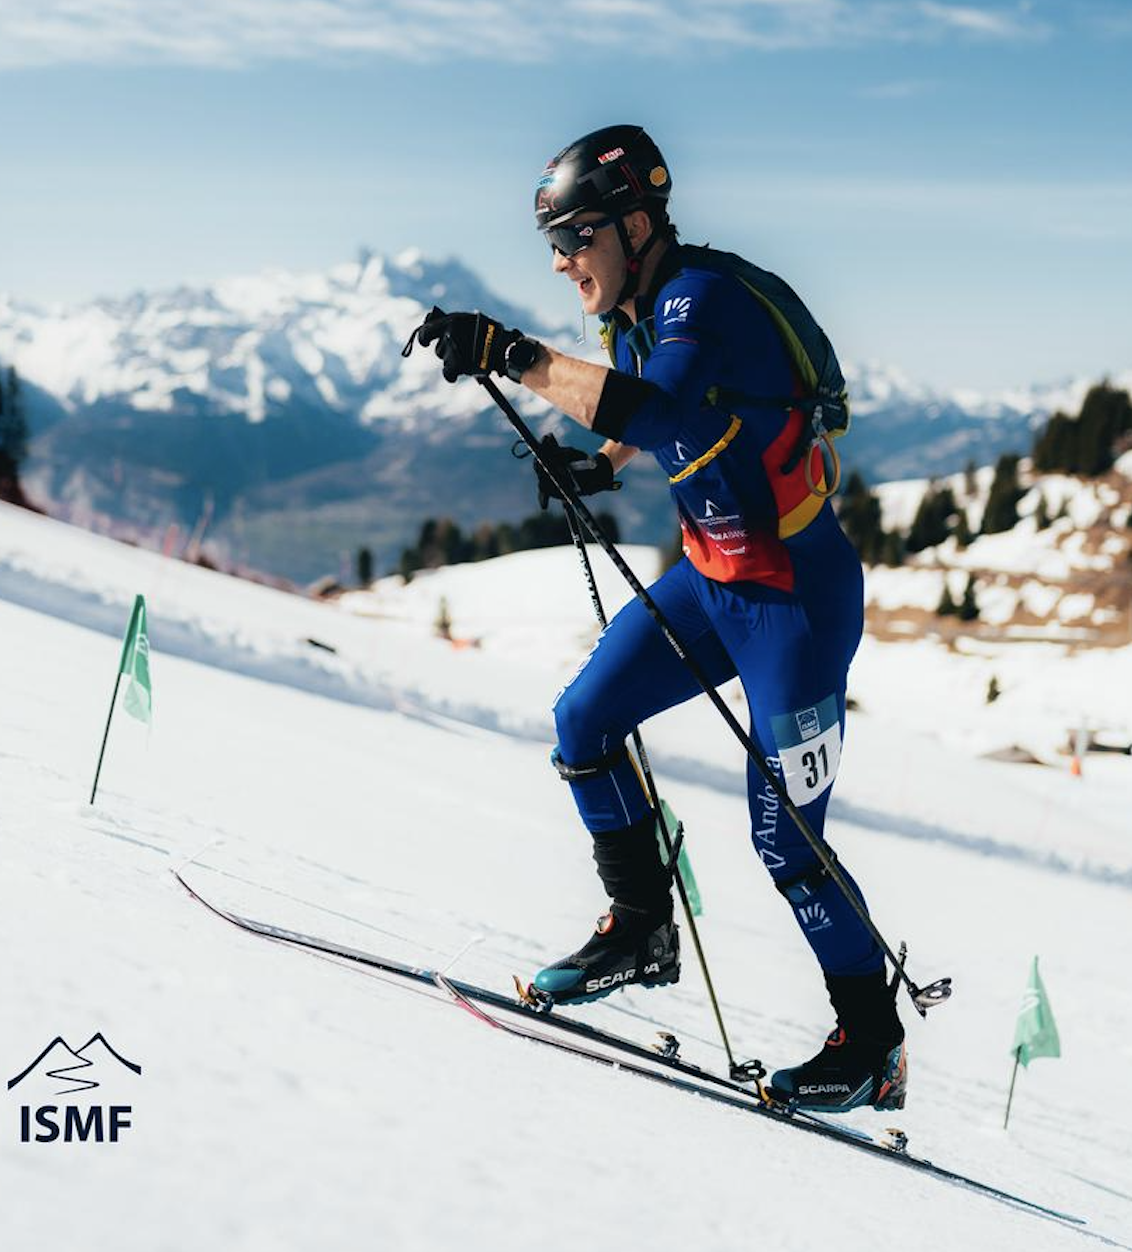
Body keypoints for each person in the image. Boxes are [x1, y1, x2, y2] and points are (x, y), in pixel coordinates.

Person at [413, 124, 905, 1113]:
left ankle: (872, 1044)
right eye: (553, 244)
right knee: (584, 721)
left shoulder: (699, 298)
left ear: (636, 226)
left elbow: (663, 407)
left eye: (576, 237)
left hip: (795, 603)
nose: (562, 262)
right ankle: (640, 929)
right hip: (710, 581)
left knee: (786, 840)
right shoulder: (634, 311)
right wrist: (601, 467)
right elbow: (659, 412)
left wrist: (510, 354)